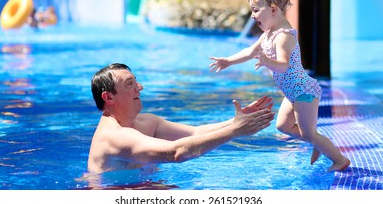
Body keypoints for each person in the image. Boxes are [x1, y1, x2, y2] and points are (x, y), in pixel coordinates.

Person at [209, 0, 350, 172]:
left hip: (303, 92)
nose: (252, 15)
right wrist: (228, 61)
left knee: (308, 133)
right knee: (283, 127)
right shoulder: (268, 34)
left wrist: (267, 61)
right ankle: (319, 142)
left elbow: (283, 65)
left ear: (273, 9)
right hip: (292, 93)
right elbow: (250, 51)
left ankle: (339, 159)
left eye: (256, 10)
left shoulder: (284, 36)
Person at [87, 63, 275, 174]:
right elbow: (176, 153)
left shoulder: (147, 122)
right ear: (109, 97)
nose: (140, 87)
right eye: (130, 84)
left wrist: (237, 121)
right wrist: (235, 131)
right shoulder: (113, 136)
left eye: (136, 81)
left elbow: (195, 132)